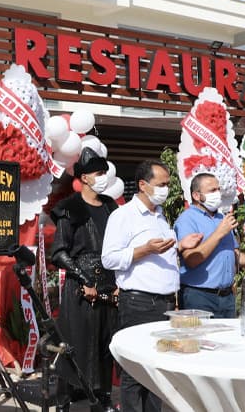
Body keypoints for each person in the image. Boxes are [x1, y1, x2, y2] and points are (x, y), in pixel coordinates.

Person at [102, 160, 202, 412]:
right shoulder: (123, 215)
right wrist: (144, 250)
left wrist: (179, 245)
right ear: (143, 185)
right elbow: (109, 258)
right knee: (135, 371)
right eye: (161, 184)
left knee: (156, 371)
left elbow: (162, 257)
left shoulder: (160, 215)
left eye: (168, 184)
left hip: (165, 303)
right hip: (138, 303)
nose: (166, 189)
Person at [50, 147, 119, 412]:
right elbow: (59, 252)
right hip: (81, 284)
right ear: (86, 178)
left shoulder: (111, 206)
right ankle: (64, 399)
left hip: (108, 282)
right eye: (98, 173)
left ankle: (101, 397)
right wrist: (83, 280)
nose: (103, 177)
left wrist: (117, 284)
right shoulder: (70, 208)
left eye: (104, 172)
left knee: (105, 340)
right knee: (75, 342)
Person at [174, 173, 245, 318]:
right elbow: (191, 260)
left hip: (227, 297)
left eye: (218, 189)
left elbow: (233, 255)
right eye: (212, 190)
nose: (218, 194)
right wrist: (219, 233)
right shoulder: (187, 219)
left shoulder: (221, 218)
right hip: (199, 297)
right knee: (201, 340)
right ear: (197, 196)